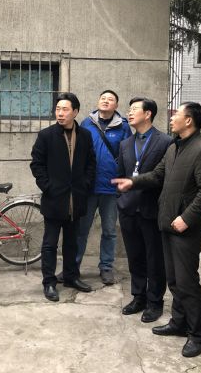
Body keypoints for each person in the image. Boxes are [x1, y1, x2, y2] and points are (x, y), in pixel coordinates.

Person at [113, 102, 201, 358]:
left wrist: (186, 218)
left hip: (185, 228)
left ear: (189, 120)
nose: (171, 119)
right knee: (174, 280)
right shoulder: (174, 147)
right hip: (167, 223)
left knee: (187, 282)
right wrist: (133, 182)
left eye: (176, 115)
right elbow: (157, 176)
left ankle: (197, 335)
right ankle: (179, 323)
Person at [30, 92, 96, 301]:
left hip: (76, 199)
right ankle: (49, 282)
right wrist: (47, 186)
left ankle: (70, 277)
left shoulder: (85, 135)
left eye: (65, 109)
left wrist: (85, 184)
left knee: (72, 243)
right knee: (50, 244)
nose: (60, 113)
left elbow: (91, 164)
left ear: (75, 112)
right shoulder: (46, 135)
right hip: (54, 199)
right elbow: (36, 164)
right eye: (58, 109)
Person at [117, 97, 172, 323]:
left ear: (148, 114)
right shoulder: (125, 144)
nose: (129, 113)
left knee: (155, 259)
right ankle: (138, 297)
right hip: (129, 210)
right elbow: (121, 174)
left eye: (134, 109)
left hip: (152, 210)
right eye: (129, 109)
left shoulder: (165, 142)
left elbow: (167, 178)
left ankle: (155, 302)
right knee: (135, 257)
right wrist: (121, 200)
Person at [76, 90, 131, 285]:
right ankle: (73, 266)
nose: (106, 101)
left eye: (111, 99)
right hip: (89, 187)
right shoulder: (86, 123)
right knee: (81, 230)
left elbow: (128, 155)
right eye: (103, 98)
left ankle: (106, 267)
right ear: (98, 101)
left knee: (109, 231)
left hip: (111, 187)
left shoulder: (123, 126)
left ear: (116, 105)